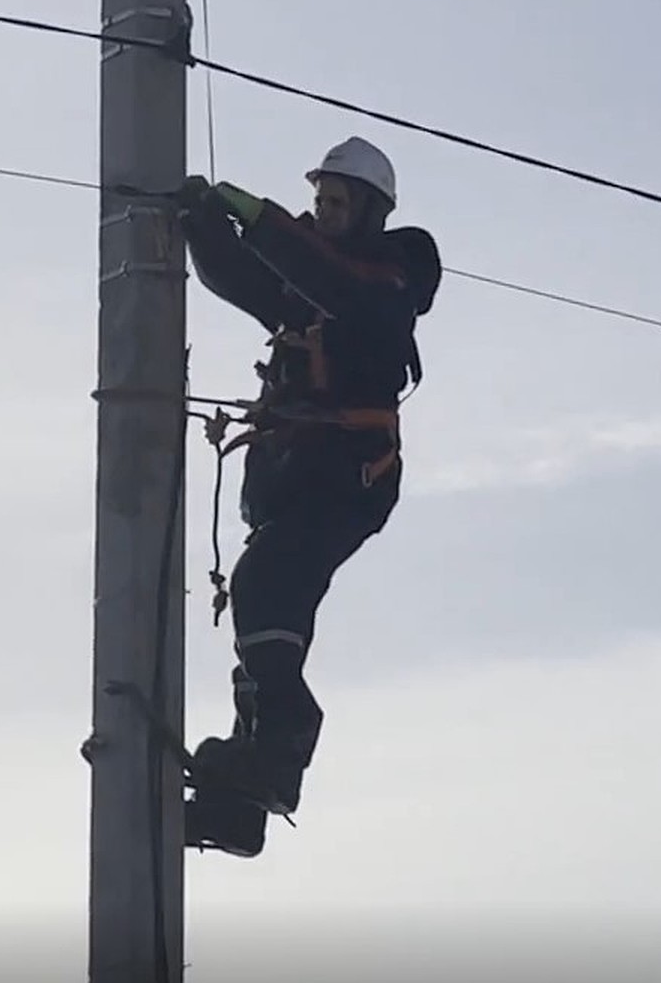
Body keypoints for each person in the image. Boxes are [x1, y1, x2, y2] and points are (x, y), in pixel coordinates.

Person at [177, 136, 441, 857]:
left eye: (335, 203)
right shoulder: (315, 275)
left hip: (346, 482)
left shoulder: (388, 278)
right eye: (318, 201)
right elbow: (249, 279)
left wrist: (257, 216)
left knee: (265, 589)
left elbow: (335, 283)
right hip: (301, 479)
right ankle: (241, 799)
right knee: (270, 617)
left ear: (370, 212)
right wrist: (201, 222)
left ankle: (284, 749)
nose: (321, 214)